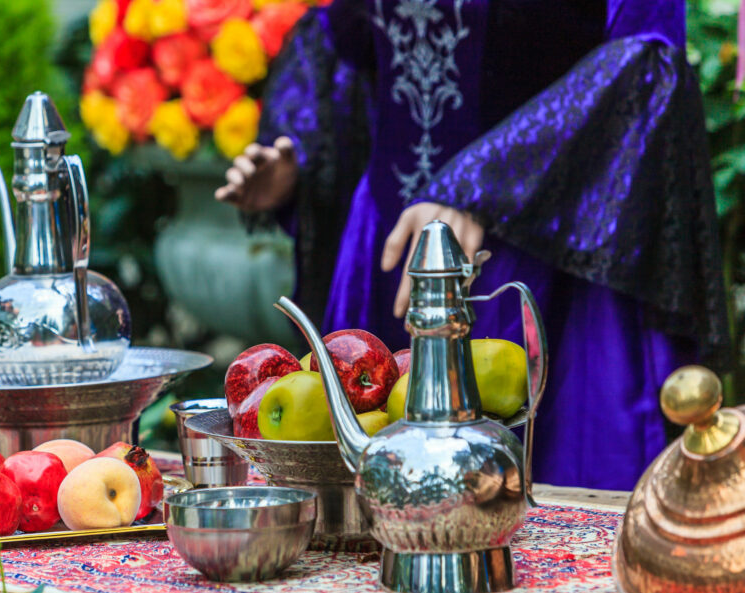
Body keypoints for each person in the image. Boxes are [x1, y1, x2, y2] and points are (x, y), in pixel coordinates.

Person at [216, 0, 730, 491]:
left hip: (541, 269)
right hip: (385, 258)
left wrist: (484, 182)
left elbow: (642, 62)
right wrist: (298, 158)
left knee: (531, 512)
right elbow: (344, 45)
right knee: (352, 522)